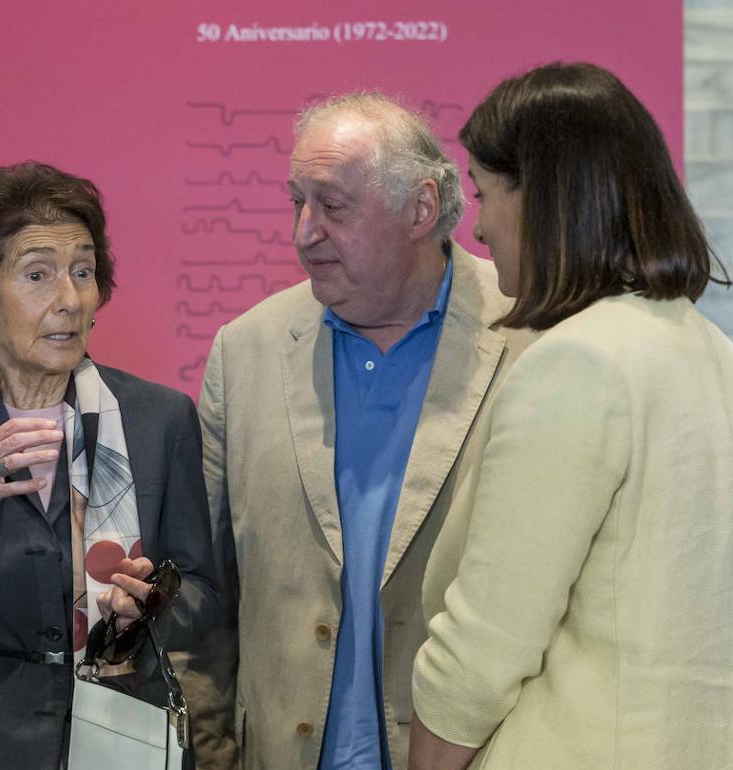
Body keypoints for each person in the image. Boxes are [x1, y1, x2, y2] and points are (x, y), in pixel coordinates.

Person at [408, 62, 733, 770]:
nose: (479, 230)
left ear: (545, 196)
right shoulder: (715, 353)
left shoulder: (579, 361)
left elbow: (488, 639)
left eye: (485, 194)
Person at [177, 92, 533, 770]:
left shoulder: (529, 341)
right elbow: (205, 600)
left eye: (333, 207)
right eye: (296, 202)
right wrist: (213, 752)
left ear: (420, 210)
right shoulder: (244, 349)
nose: (303, 232)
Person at [0, 161, 219, 769]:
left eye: (84, 271)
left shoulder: (158, 418)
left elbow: (204, 592)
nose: (70, 299)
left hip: (126, 739)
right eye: (37, 274)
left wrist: (150, 606)